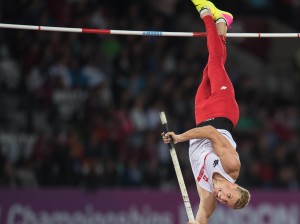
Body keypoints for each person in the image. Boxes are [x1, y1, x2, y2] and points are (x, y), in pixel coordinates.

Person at [161, 1, 251, 223]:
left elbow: (202, 218)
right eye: (228, 195)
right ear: (234, 185)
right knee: (215, 61)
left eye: (224, 201)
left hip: (202, 114)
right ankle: (206, 12)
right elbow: (210, 132)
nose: (221, 196)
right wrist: (179, 137)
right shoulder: (231, 164)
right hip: (222, 111)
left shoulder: (209, 197)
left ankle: (222, 21)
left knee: (210, 64)